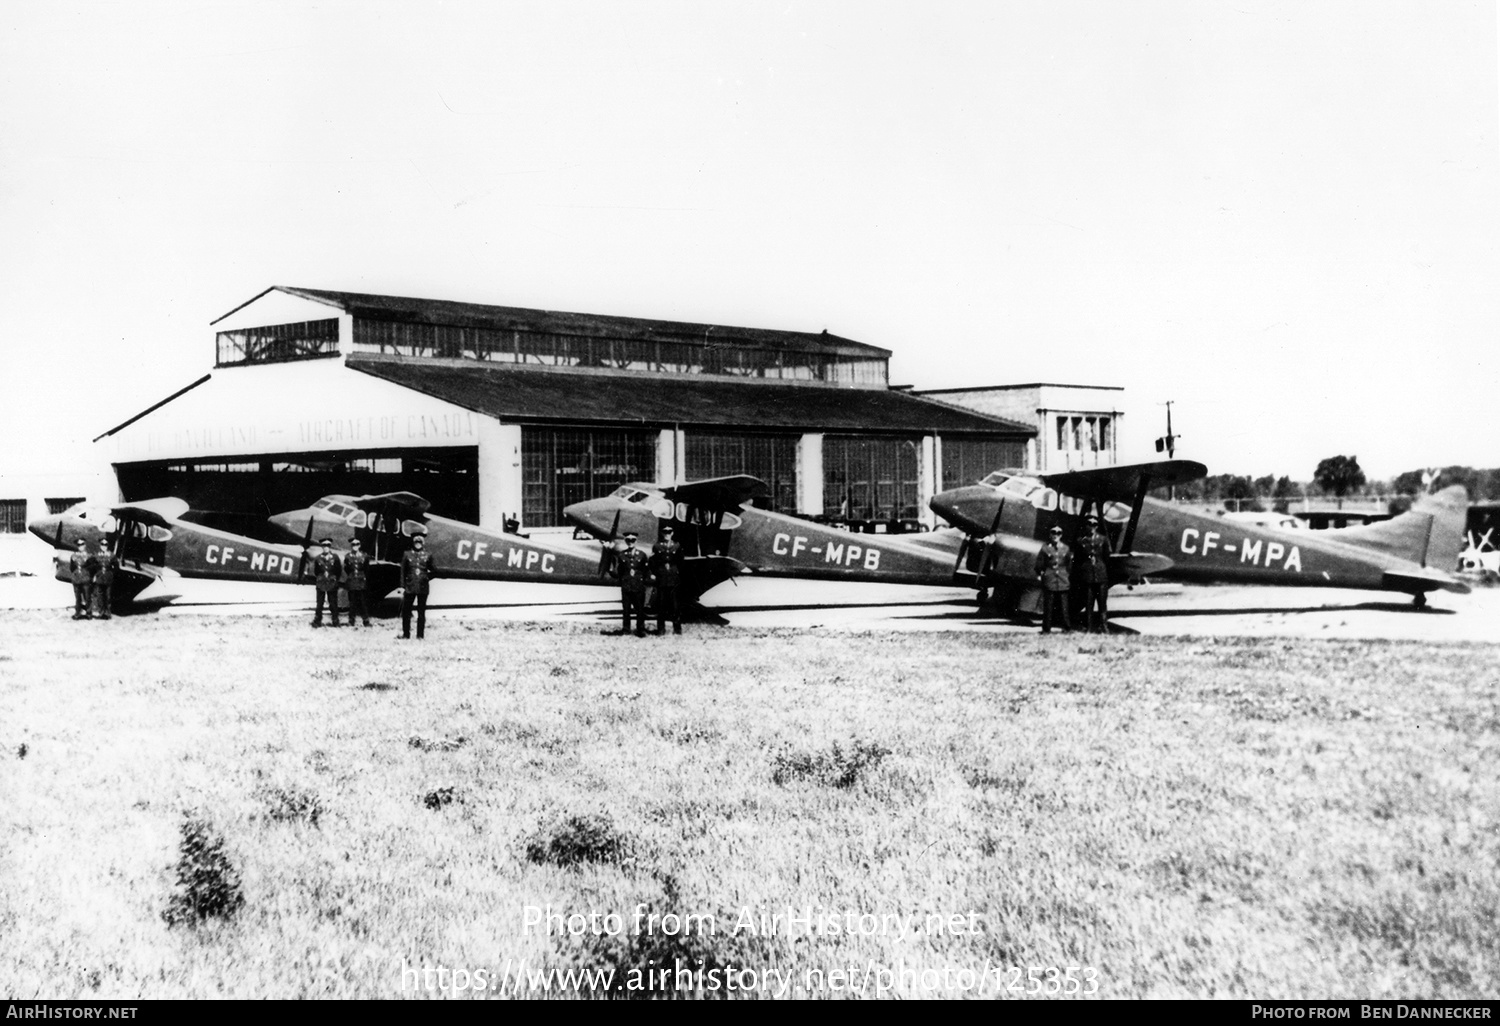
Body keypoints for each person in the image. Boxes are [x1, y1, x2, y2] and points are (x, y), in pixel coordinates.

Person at [1074, 514, 1113, 633]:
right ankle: (1089, 627)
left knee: (1102, 603)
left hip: (1101, 575)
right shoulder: (1080, 541)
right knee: (1088, 603)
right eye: (1089, 524)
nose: (1092, 526)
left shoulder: (1103, 539)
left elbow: (1107, 557)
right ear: (1086, 526)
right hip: (1087, 576)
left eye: (1094, 524)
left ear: (1097, 526)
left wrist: (1101, 568)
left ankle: (1104, 626)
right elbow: (1078, 559)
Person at [1034, 524, 1072, 634]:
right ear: (1050, 535)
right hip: (1050, 579)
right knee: (1048, 607)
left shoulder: (1065, 548)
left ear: (1061, 535)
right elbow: (1039, 564)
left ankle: (1067, 628)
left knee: (1064, 607)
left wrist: (1066, 575)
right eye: (1053, 533)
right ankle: (1046, 629)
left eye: (1058, 533)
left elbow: (1069, 564)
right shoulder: (1045, 548)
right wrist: (1043, 574)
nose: (1056, 535)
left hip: (1062, 580)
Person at [612, 530, 651, 637]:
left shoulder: (642, 555)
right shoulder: (622, 555)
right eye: (628, 540)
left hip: (638, 586)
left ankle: (640, 630)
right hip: (627, 586)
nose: (630, 542)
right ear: (625, 541)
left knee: (640, 610)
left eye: (632, 540)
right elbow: (618, 571)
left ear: (636, 541)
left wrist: (644, 582)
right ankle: (626, 629)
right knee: (626, 610)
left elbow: (646, 570)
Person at [649, 524, 685, 635]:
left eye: (669, 532)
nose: (667, 534)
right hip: (662, 578)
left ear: (672, 533)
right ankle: (661, 629)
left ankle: (677, 629)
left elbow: (681, 562)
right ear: (662, 533)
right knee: (661, 606)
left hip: (673, 579)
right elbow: (652, 562)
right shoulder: (657, 546)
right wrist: (653, 574)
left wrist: (678, 574)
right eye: (665, 532)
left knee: (675, 606)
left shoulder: (677, 546)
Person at [400, 533, 435, 639]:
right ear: (413, 543)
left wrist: (426, 577)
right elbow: (402, 571)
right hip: (410, 586)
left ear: (423, 543)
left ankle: (420, 635)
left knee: (421, 612)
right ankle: (406, 635)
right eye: (416, 542)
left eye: (420, 542)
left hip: (422, 587)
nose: (418, 544)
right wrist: (402, 586)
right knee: (406, 612)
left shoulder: (428, 555)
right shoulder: (407, 554)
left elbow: (434, 570)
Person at [310, 538, 343, 628]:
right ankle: (317, 620)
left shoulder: (335, 557)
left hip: (332, 583)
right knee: (319, 603)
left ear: (330, 547)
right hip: (321, 583)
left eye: (328, 546)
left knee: (333, 603)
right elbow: (316, 571)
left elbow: (338, 570)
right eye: (324, 546)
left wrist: (335, 579)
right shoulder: (318, 558)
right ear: (322, 547)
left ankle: (335, 620)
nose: (326, 548)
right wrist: (321, 578)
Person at [343, 538, 372, 628]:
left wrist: (362, 578)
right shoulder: (348, 556)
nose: (355, 546)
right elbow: (347, 569)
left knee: (363, 602)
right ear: (351, 546)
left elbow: (366, 569)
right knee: (352, 603)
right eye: (353, 544)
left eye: (357, 544)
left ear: (359, 545)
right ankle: (351, 621)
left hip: (361, 582)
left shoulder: (364, 556)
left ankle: (366, 621)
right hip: (352, 581)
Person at [68, 539, 95, 621]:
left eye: (82, 544)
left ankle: (89, 613)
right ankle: (77, 613)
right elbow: (72, 568)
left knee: (87, 597)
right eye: (79, 545)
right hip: (76, 579)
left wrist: (89, 576)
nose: (81, 546)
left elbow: (93, 568)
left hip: (86, 579)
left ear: (85, 545)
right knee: (77, 597)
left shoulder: (90, 556)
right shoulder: (73, 556)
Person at [92, 538, 118, 620]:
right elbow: (93, 566)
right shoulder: (96, 555)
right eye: (102, 544)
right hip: (99, 577)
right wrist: (94, 575)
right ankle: (101, 613)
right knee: (100, 597)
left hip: (108, 578)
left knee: (108, 596)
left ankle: (107, 614)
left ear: (108, 546)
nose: (104, 546)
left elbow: (116, 566)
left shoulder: (112, 555)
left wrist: (111, 573)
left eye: (105, 544)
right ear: (100, 546)